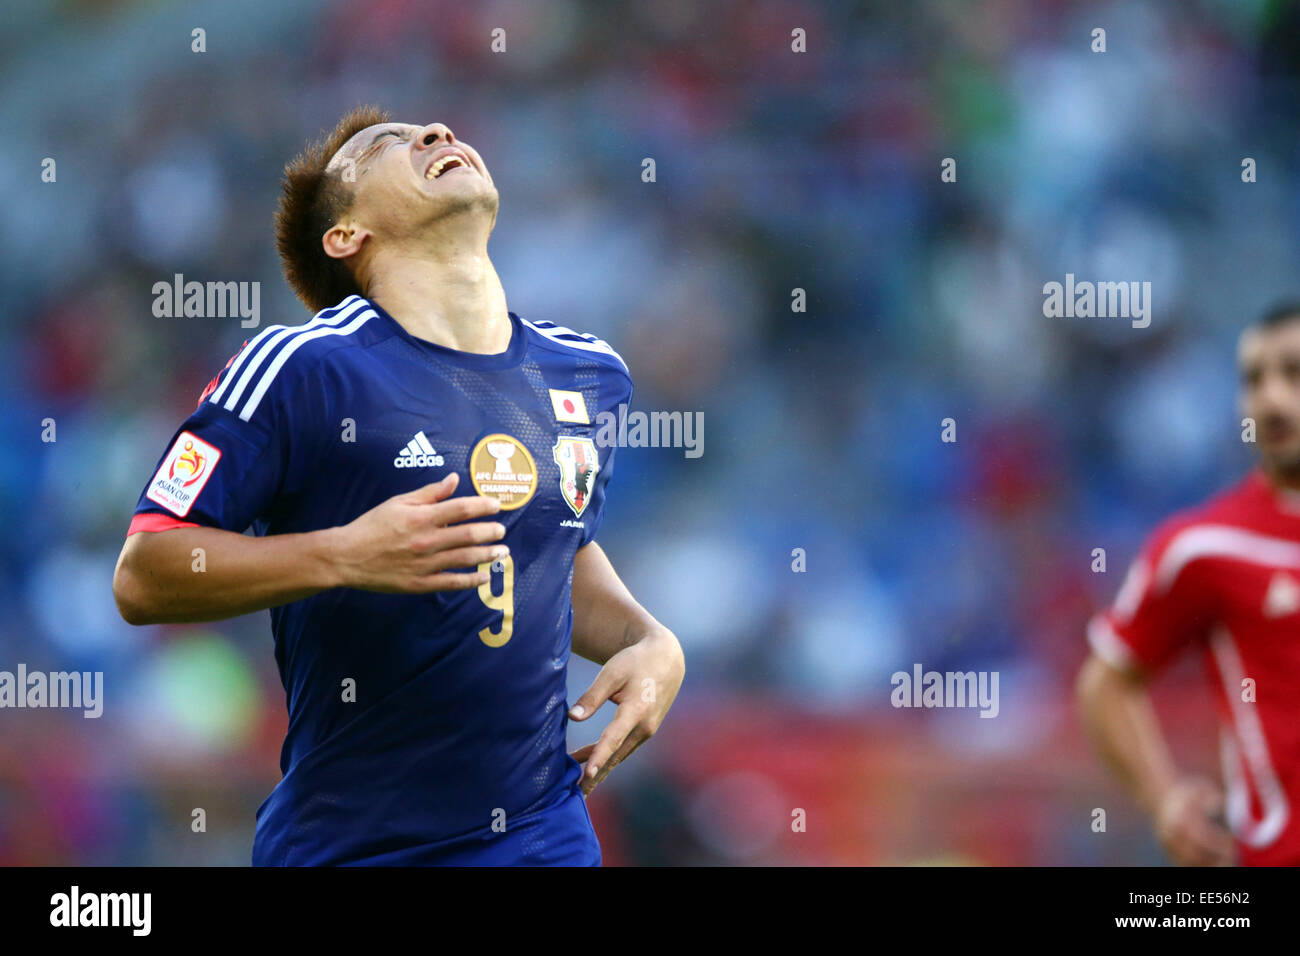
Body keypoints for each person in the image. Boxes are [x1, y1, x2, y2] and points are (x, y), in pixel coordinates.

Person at [112, 105, 685, 866]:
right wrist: (343, 555)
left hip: (540, 837)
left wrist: (652, 641)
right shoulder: (300, 368)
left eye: (437, 131)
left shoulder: (589, 374)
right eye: (385, 146)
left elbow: (551, 554)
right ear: (346, 235)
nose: (436, 134)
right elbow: (145, 571)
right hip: (352, 846)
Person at [1078, 302, 1300, 866]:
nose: (1271, 399)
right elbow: (1106, 684)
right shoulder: (1205, 547)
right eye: (1254, 380)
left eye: (1293, 374)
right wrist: (1164, 800)